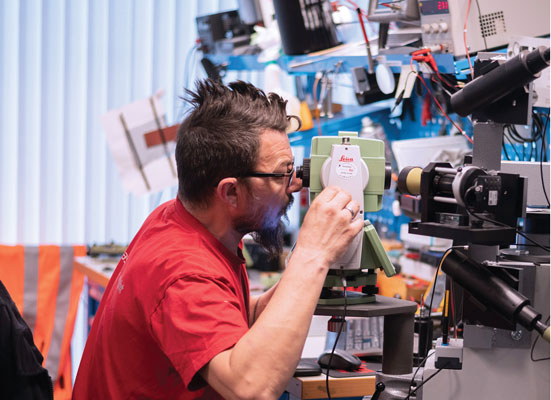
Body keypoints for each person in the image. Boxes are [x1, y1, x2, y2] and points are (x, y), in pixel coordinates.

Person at [72, 80, 365, 399]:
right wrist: (312, 256)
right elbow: (251, 387)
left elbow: (230, 316)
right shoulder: (183, 271)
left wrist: (305, 277)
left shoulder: (182, 220)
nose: (294, 185)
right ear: (230, 191)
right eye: (282, 173)